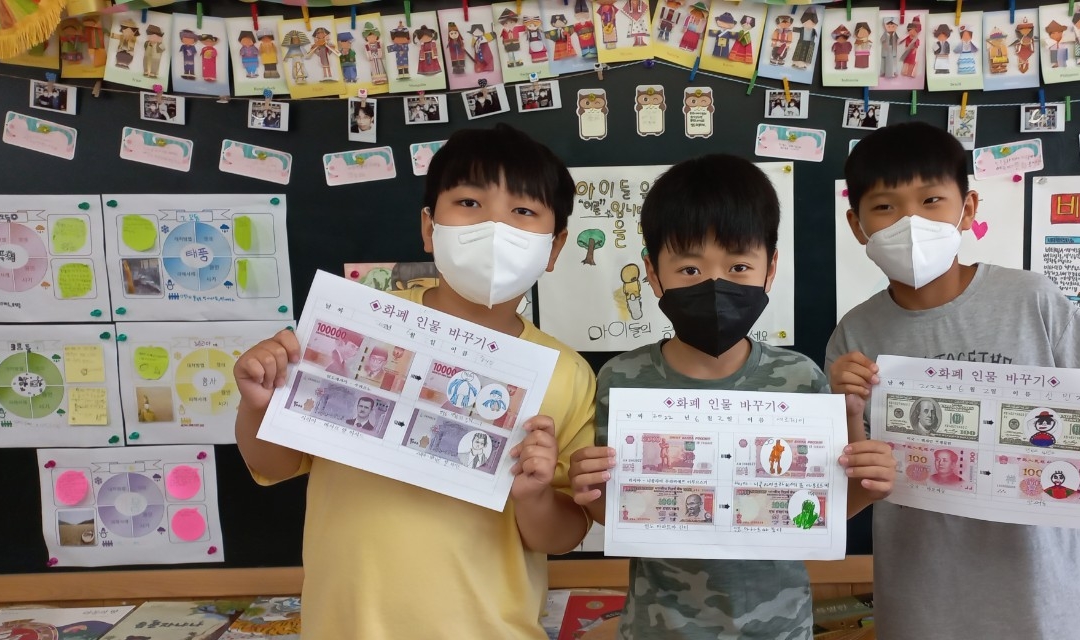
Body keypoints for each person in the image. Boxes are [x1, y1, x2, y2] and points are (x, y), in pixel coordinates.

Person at [234, 124, 596, 639]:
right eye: (469, 203)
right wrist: (258, 404)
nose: (495, 227)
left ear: (554, 247)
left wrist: (534, 497)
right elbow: (274, 463)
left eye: (522, 211)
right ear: (429, 226)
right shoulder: (357, 328)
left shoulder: (565, 373)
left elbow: (561, 536)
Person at [828, 123, 1080, 639]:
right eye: (884, 207)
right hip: (919, 601)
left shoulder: (1032, 300)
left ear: (968, 208)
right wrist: (846, 409)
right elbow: (848, 483)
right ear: (858, 226)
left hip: (1037, 600)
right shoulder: (855, 334)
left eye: (931, 200)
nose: (910, 222)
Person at [566, 154, 896, 639]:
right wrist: (588, 490)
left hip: (779, 628)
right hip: (661, 629)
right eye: (689, 268)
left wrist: (869, 480)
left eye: (739, 266)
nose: (715, 284)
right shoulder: (622, 379)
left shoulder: (799, 379)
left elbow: (821, 510)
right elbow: (613, 512)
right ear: (652, 274)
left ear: (770, 269)